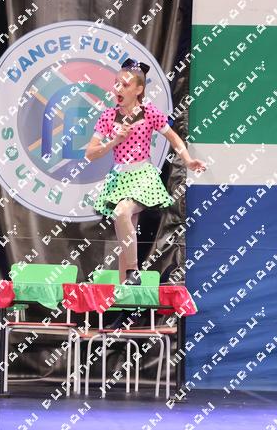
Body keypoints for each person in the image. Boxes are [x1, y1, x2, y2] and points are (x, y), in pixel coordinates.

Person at [85, 58, 207, 287]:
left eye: (125, 85)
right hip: (119, 178)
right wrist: (114, 141)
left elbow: (173, 137)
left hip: (142, 176)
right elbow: (90, 153)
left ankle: (133, 270)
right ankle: (125, 294)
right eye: (117, 83)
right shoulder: (107, 117)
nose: (118, 89)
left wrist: (188, 160)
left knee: (122, 212)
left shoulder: (149, 113)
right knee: (124, 236)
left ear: (139, 89)